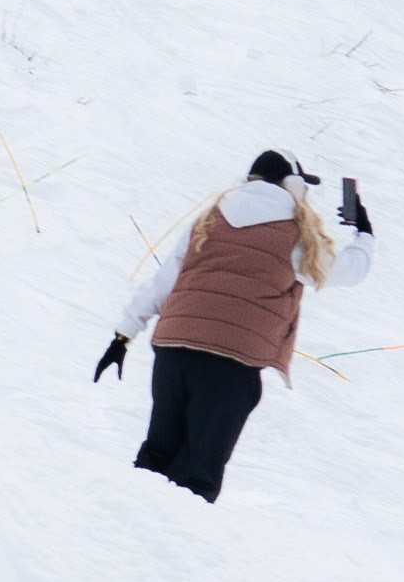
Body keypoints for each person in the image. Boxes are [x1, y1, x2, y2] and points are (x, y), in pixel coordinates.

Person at [92, 149, 374, 502]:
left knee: (157, 455)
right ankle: (169, 545)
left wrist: (123, 336)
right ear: (293, 185)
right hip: (232, 362)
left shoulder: (210, 218)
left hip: (174, 351)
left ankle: (123, 528)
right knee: (199, 473)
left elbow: (164, 280)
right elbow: (348, 271)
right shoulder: (295, 233)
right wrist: (364, 233)